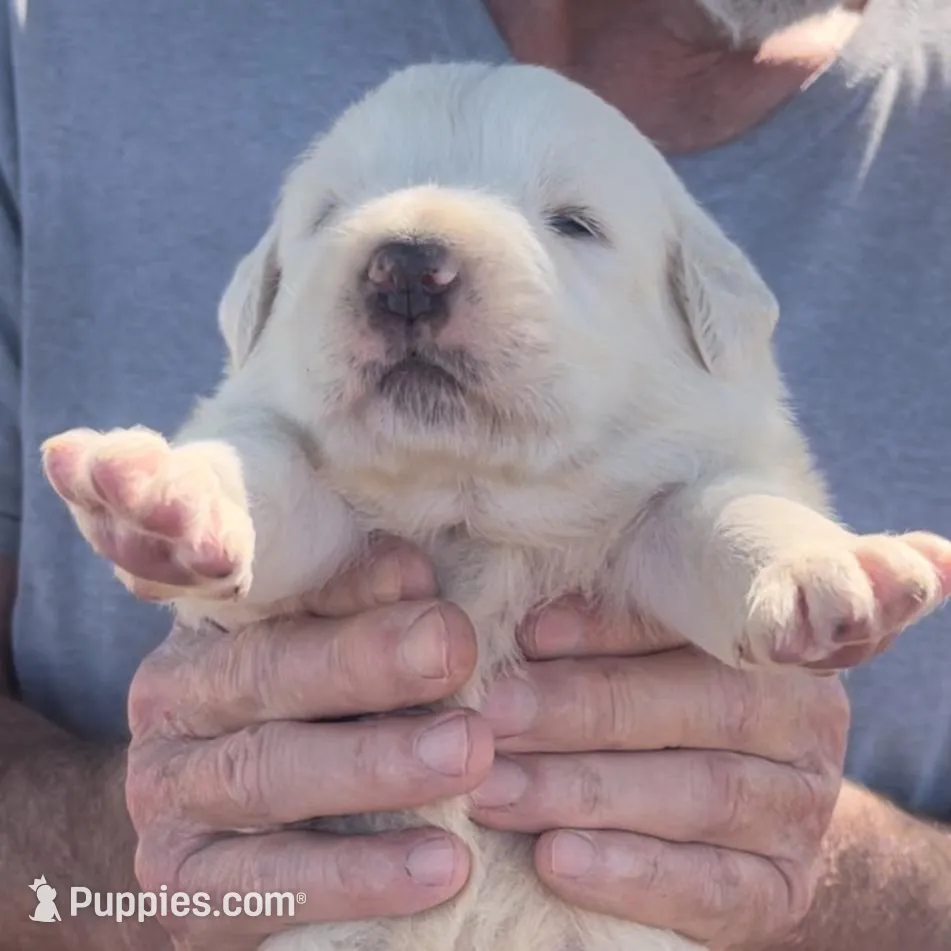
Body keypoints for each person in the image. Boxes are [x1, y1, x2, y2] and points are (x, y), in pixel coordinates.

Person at [0, 0, 949, 948]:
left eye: (571, 224)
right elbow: (282, 498)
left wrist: (832, 877)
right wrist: (204, 513)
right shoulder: (53, 37)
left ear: (705, 303)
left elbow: (699, 529)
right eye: (334, 218)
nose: (409, 274)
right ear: (260, 297)